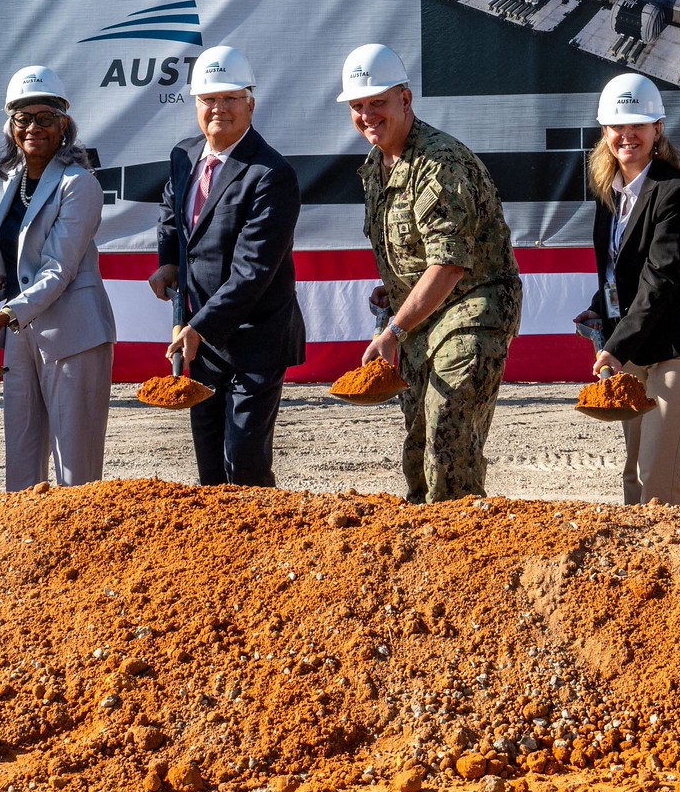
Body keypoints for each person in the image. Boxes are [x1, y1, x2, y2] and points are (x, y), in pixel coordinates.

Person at [340, 43, 521, 503]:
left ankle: (465, 551)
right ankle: (429, 556)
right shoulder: (377, 165)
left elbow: (449, 263)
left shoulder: (439, 163)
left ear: (406, 99)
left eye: (377, 102)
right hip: (422, 316)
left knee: (448, 432)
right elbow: (414, 250)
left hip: (473, 306)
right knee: (419, 444)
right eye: (358, 106)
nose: (367, 115)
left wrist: (395, 330)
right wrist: (396, 290)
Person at [146, 46, 305, 486]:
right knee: (211, 471)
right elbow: (171, 217)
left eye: (231, 98)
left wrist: (199, 327)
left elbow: (253, 272)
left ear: (251, 102)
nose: (219, 108)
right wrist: (168, 264)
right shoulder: (184, 156)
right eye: (209, 98)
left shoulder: (271, 174)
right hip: (203, 342)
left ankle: (265, 549)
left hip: (255, 340)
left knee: (246, 465)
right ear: (196, 103)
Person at [0, 66, 116, 489]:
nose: (33, 127)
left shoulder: (80, 184)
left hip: (73, 335)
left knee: (75, 471)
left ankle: (83, 552)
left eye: (45, 118)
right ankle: (26, 550)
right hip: (21, 331)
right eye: (23, 118)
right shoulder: (13, 181)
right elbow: (20, 258)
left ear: (63, 126)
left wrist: (5, 315)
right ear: (11, 125)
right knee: (21, 460)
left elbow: (58, 269)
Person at [573, 74, 680, 506]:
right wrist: (600, 307)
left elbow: (661, 280)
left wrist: (614, 347)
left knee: (658, 476)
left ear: (658, 128)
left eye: (638, 124)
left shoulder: (676, 194)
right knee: (634, 473)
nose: (627, 135)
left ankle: (672, 568)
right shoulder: (609, 191)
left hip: (678, 350)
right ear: (605, 132)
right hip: (634, 346)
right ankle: (640, 567)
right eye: (618, 126)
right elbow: (620, 268)